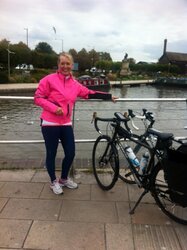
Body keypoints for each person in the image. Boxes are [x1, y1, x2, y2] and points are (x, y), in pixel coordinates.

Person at [34, 52, 117, 195]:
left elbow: (89, 93)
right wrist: (54, 108)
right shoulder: (48, 80)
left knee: (71, 153)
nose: (65, 66)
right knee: (51, 153)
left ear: (72, 65)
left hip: (65, 123)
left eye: (68, 63)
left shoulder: (74, 84)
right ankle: (53, 181)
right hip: (49, 123)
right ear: (58, 64)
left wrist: (108, 96)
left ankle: (63, 179)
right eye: (62, 63)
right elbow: (38, 98)